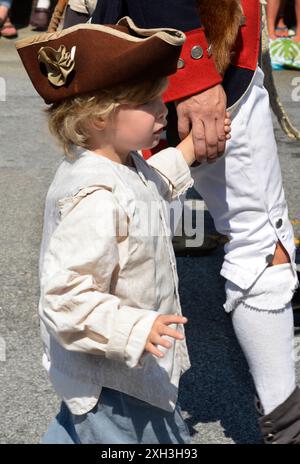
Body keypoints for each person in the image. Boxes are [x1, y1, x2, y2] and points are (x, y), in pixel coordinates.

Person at [92, 0, 300, 444]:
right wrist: (196, 68)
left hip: (139, 43)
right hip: (197, 42)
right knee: (261, 245)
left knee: (117, 234)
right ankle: (287, 428)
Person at [16, 17, 230, 444]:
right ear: (100, 116)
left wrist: (187, 151)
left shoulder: (121, 163)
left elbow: (148, 186)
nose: (162, 109)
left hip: (122, 369)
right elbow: (64, 301)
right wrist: (135, 329)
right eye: (149, 102)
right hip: (115, 376)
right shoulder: (93, 197)